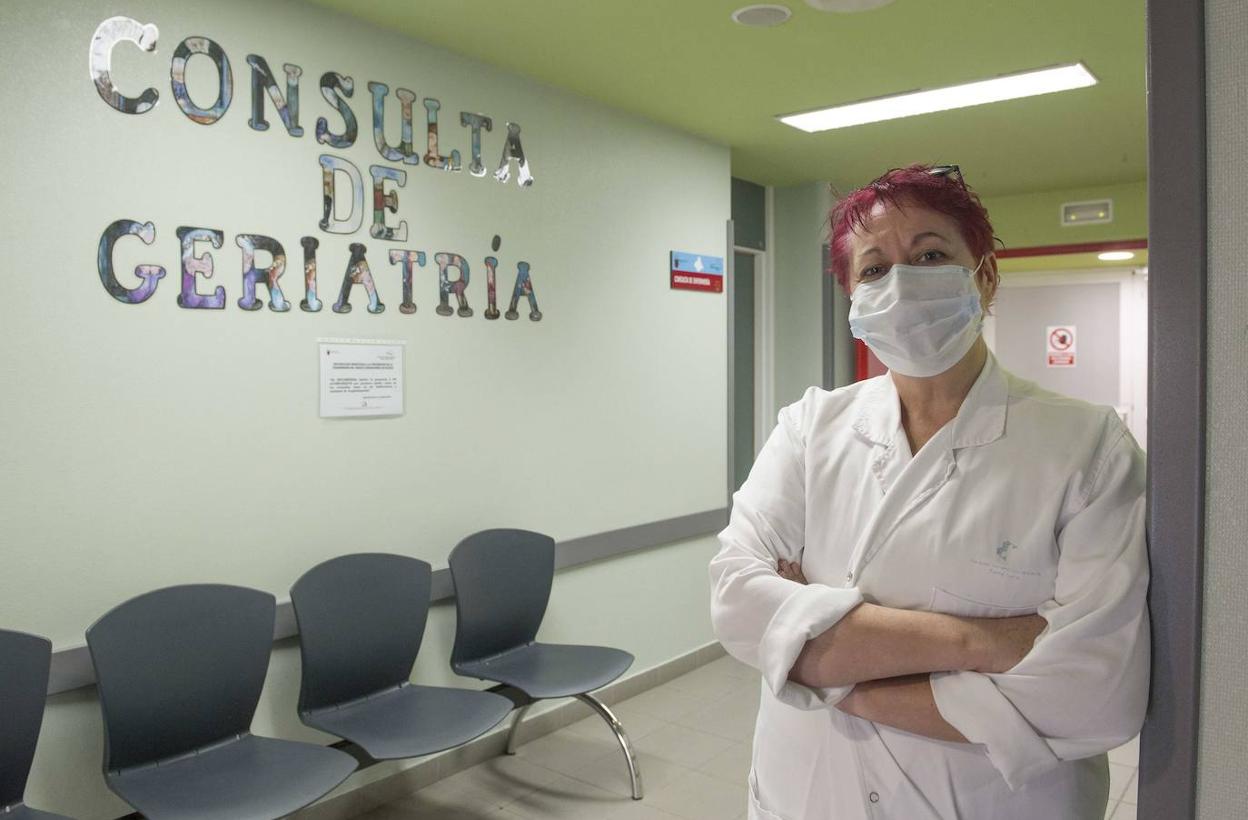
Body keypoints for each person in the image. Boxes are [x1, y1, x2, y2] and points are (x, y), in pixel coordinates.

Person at [709, 164, 1149, 820]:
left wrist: (826, 666)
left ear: (985, 277)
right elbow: (738, 606)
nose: (902, 282)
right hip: (807, 797)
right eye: (874, 268)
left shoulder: (1087, 449)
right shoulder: (809, 427)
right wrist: (983, 643)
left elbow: (1096, 695)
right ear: (853, 300)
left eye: (931, 255)